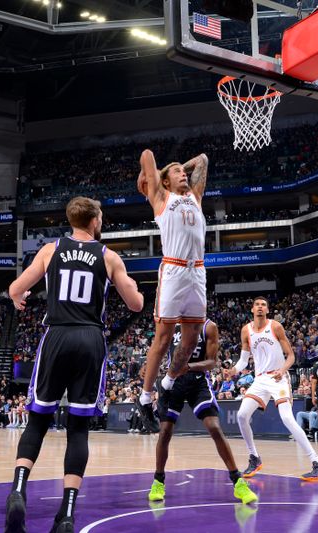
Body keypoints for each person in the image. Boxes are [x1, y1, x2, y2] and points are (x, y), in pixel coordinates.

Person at [4, 196, 144, 533]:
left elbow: (15, 288)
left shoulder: (50, 251)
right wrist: (131, 286)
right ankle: (66, 515)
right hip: (90, 338)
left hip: (56, 335)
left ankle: (18, 492)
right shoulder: (109, 256)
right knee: (78, 430)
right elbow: (136, 304)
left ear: (71, 220)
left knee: (37, 421)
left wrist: (18, 297)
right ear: (95, 220)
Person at [136, 149, 209, 433]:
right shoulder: (161, 198)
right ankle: (144, 399)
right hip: (174, 270)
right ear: (165, 181)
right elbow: (146, 154)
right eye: (177, 172)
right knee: (164, 337)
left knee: (191, 340)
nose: (184, 174)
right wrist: (159, 172)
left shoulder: (195, 197)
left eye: (184, 171)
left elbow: (201, 160)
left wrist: (181, 165)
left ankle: (166, 385)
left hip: (198, 271)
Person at [147, 320, 257, 505]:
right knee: (165, 431)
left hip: (198, 381)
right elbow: (157, 351)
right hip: (174, 381)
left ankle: (238, 481)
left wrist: (189, 367)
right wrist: (150, 387)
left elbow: (212, 362)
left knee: (214, 427)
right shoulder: (171, 324)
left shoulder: (209, 326)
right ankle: (158, 481)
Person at [227, 297, 318, 481]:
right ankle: (254, 457)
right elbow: (244, 360)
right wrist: (233, 371)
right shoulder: (246, 330)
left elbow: (290, 356)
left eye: (263, 305)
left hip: (279, 377)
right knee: (242, 415)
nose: (260, 307)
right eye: (257, 305)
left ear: (267, 309)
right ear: (252, 309)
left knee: (287, 419)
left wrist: (282, 370)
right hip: (260, 380)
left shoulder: (275, 327)